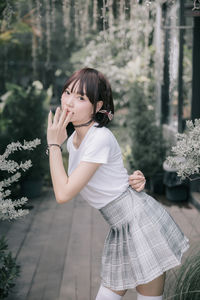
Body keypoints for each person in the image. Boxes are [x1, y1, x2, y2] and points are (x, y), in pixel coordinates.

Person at [47, 67, 190, 300]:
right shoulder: (74, 138)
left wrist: (53, 145)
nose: (69, 102)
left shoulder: (99, 137)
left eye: (81, 97)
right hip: (120, 228)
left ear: (98, 106)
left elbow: (63, 194)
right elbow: (101, 178)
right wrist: (57, 143)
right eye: (67, 92)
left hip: (140, 222)